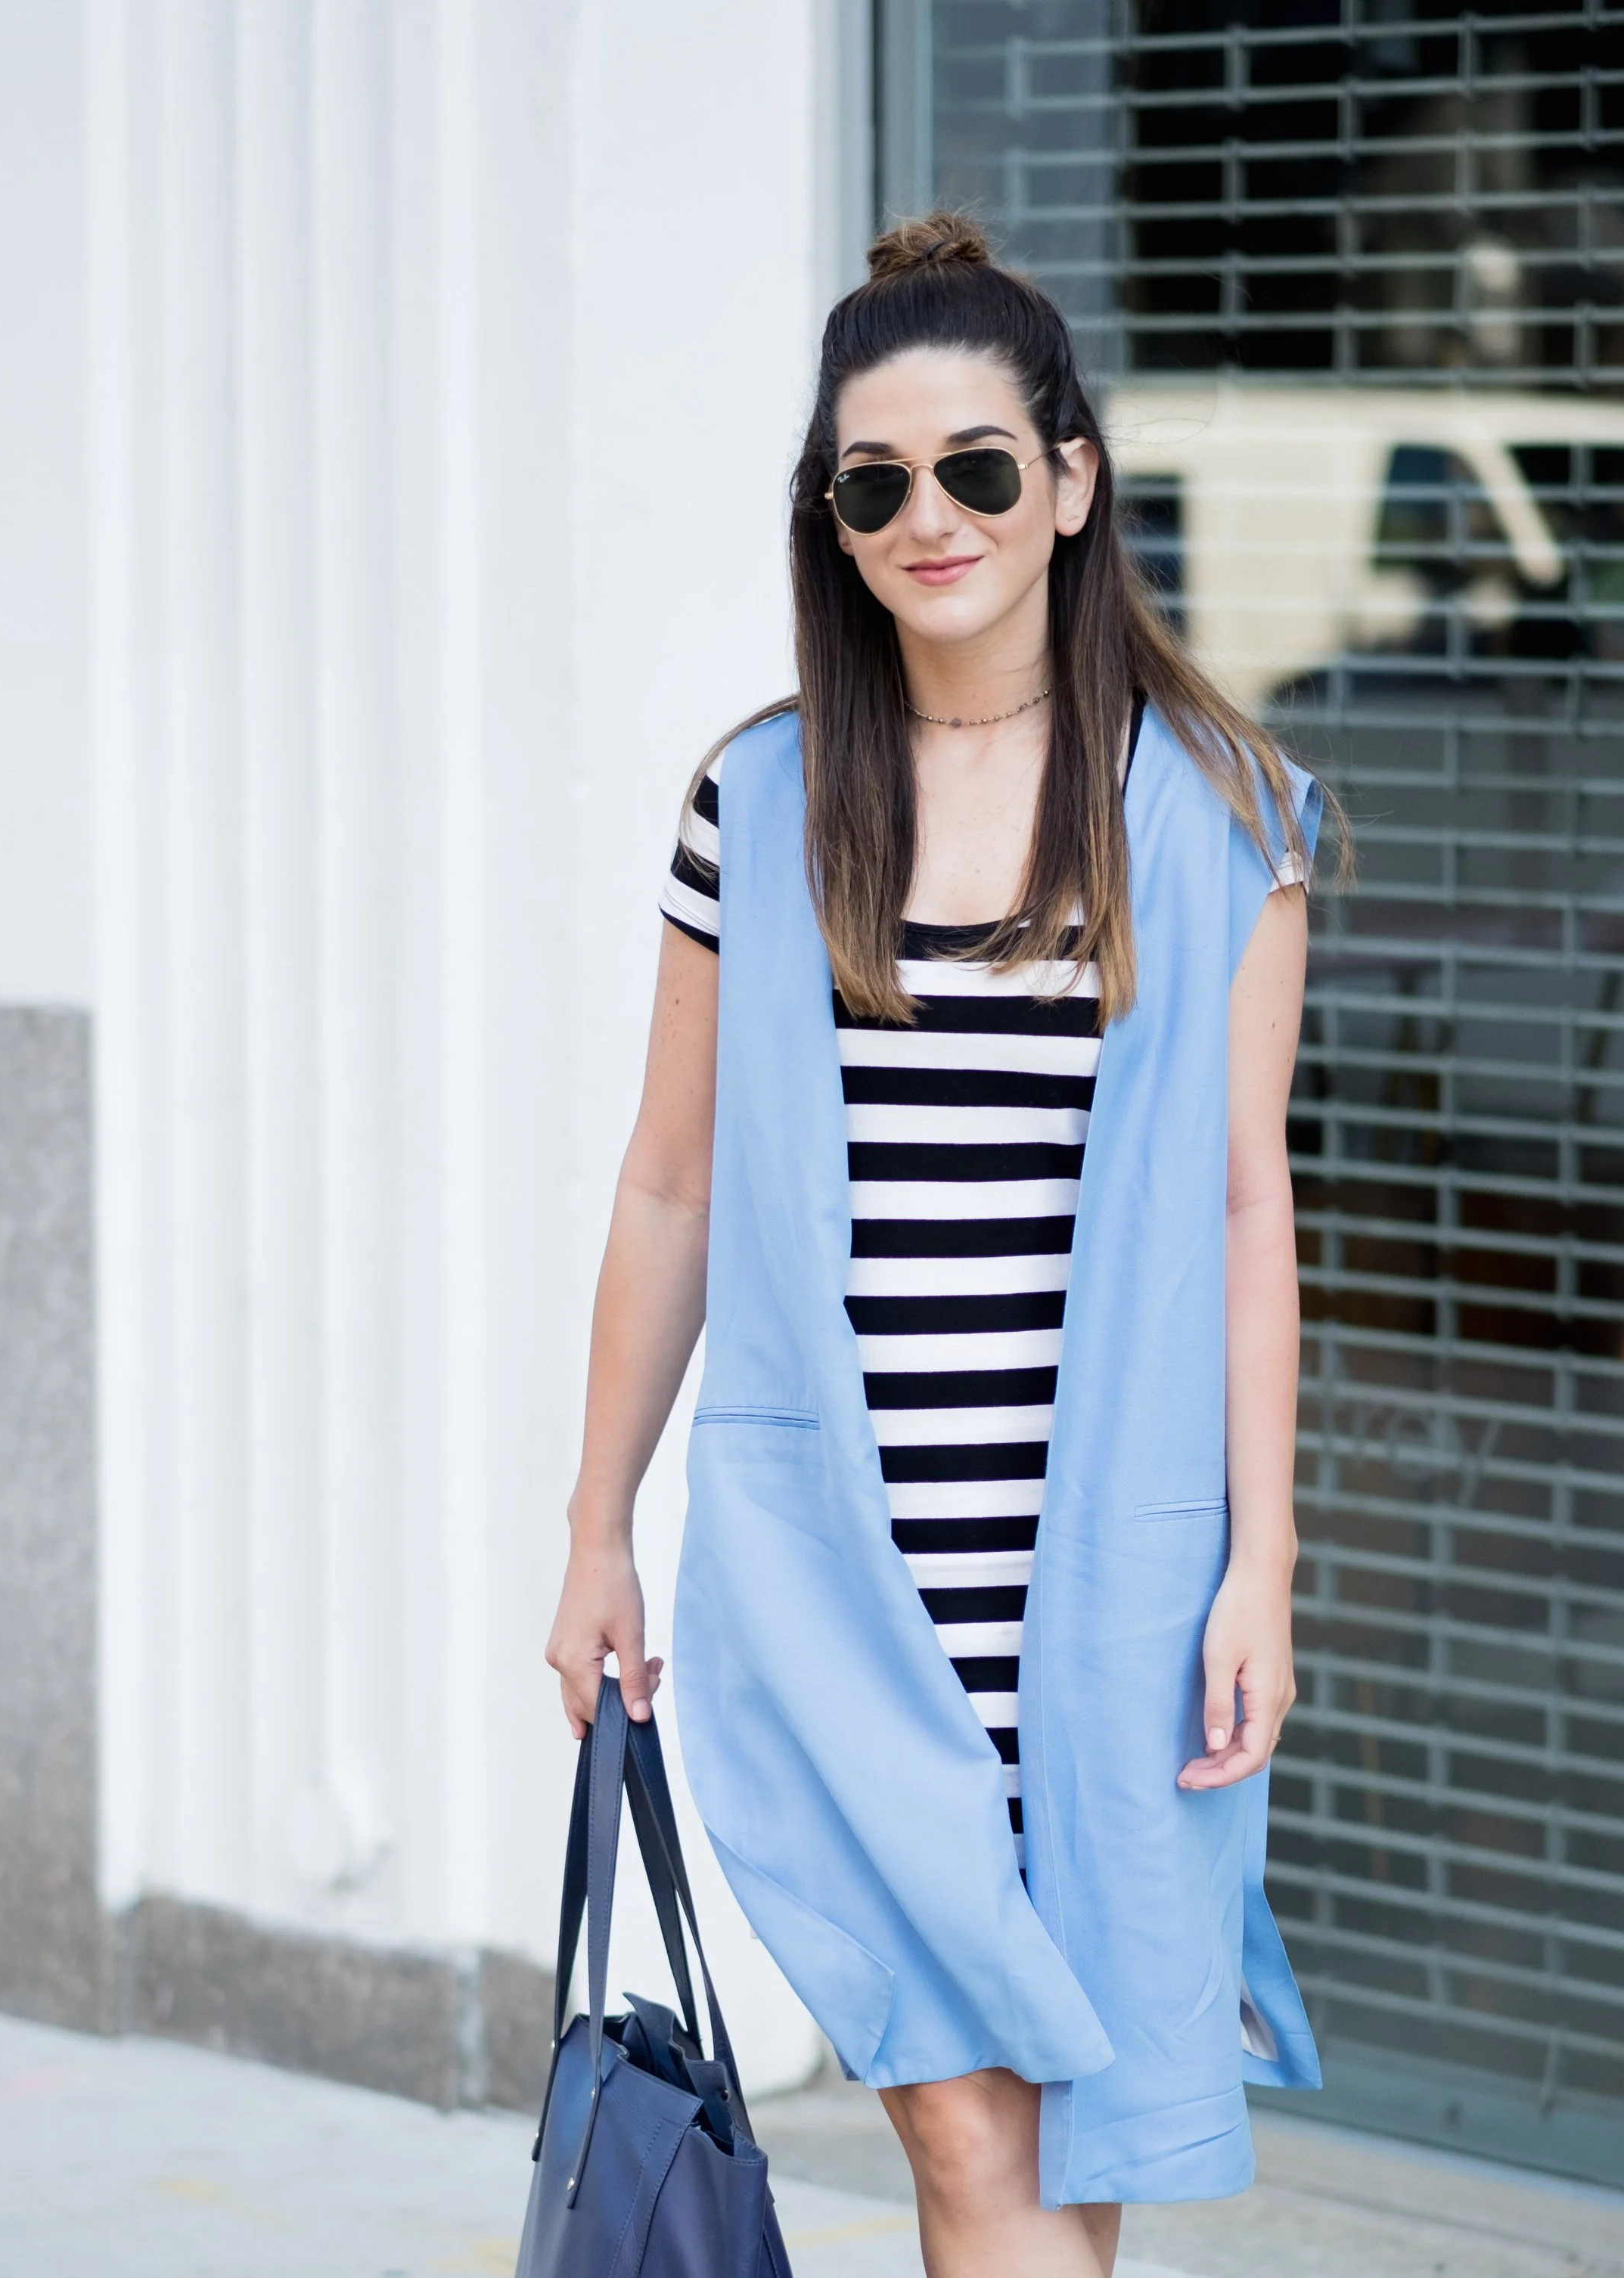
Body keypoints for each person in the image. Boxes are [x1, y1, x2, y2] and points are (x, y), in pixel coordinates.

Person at [545, 213, 1346, 2278]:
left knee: (1056, 2164)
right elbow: (670, 1182)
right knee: (972, 2144)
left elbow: (1252, 1205)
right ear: (833, 514)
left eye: (977, 466)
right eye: (873, 481)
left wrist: (1261, 1559)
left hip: (1112, 1594)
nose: (931, 518)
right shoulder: (764, 796)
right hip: (844, 1592)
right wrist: (594, 1525)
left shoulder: (1218, 808)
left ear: (1069, 480)